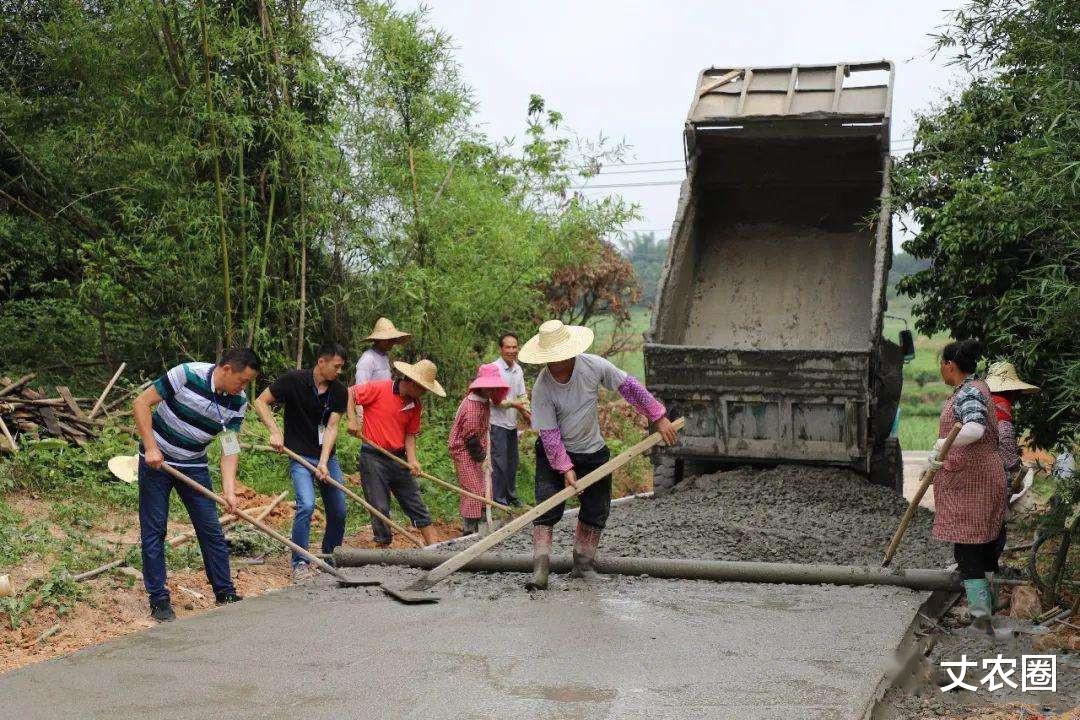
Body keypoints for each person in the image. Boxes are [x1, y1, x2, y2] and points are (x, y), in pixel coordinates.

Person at [518, 320, 677, 590]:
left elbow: (629, 387)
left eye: (560, 357)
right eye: (551, 359)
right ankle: (540, 570)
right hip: (553, 453)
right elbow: (549, 433)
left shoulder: (594, 366)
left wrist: (658, 417)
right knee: (547, 506)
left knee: (595, 509)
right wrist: (564, 467)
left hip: (592, 451)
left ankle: (583, 564)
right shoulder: (543, 387)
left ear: (570, 352)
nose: (556, 363)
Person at [132, 348, 261, 622]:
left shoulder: (237, 401)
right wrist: (151, 448)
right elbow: (141, 403)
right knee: (154, 531)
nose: (244, 387)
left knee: (210, 529)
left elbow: (230, 446)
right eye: (243, 380)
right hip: (158, 461)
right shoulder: (186, 374)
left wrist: (228, 490)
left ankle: (225, 592)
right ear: (226, 369)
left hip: (193, 465)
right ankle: (159, 600)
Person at [253, 342, 349, 583]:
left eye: (341, 368)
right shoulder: (293, 380)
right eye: (336, 366)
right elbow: (260, 401)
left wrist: (324, 462)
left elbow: (332, 427)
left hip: (326, 457)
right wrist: (275, 432)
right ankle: (300, 563)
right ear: (321, 362)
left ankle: (329, 558)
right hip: (299, 456)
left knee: (339, 509)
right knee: (306, 505)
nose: (339, 372)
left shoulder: (339, 391)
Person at [929, 339, 1007, 634]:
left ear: (950, 365)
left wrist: (941, 444)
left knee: (968, 550)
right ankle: (987, 610)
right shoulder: (972, 389)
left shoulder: (970, 392)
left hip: (974, 483)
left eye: (942, 365)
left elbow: (975, 428)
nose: (941, 370)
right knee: (982, 546)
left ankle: (981, 620)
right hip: (974, 480)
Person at [347, 358, 444, 546]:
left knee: (414, 501)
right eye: (423, 388)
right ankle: (383, 548)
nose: (424, 393)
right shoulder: (379, 389)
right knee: (379, 506)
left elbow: (410, 435)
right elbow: (349, 393)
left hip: (398, 458)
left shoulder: (415, 405)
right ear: (411, 381)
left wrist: (413, 460)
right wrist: (353, 420)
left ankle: (435, 546)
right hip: (373, 456)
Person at [449, 363, 510, 535]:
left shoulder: (482, 400)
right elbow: (470, 439)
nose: (491, 390)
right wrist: (483, 458)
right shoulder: (472, 407)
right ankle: (470, 530)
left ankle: (483, 524)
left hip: (476, 446)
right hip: (465, 450)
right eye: (488, 387)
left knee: (484, 486)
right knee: (474, 489)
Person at [489, 332, 530, 507]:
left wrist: (527, 412)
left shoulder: (518, 369)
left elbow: (522, 395)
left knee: (513, 461)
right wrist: (517, 406)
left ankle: (511, 496)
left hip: (511, 424)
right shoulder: (493, 369)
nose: (512, 350)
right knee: (499, 462)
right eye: (508, 347)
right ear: (501, 349)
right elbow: (494, 400)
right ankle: (499, 499)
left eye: (515, 347)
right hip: (496, 422)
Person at [354, 317, 410, 385]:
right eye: (388, 340)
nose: (391, 343)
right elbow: (361, 387)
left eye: (392, 340)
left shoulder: (384, 357)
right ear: (379, 340)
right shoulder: (368, 359)